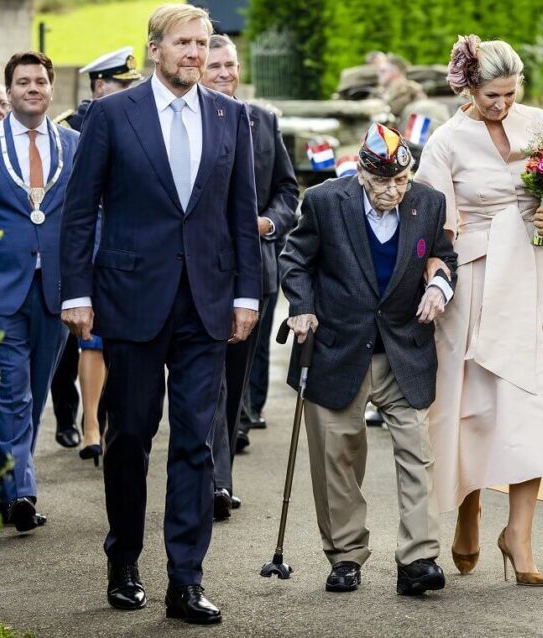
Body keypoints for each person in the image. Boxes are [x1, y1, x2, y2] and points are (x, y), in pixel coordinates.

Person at [60, 4, 261, 623]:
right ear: (155, 49)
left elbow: (239, 211)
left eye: (203, 44)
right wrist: (76, 292)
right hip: (132, 299)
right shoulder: (113, 115)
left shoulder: (231, 116)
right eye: (184, 43)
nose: (196, 54)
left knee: (196, 442)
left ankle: (185, 579)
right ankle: (124, 559)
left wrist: (246, 294)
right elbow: (80, 206)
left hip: (206, 303)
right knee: (131, 435)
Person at [415, 34, 543, 587]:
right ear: (468, 88)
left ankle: (519, 533)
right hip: (475, 278)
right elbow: (436, 228)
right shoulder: (446, 142)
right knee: (473, 406)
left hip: (537, 272)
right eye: (489, 96)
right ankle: (468, 508)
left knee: (535, 402)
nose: (500, 105)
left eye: (508, 93)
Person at [279, 123, 456, 595]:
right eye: (382, 182)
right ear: (361, 172)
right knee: (338, 455)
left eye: (400, 181)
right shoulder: (323, 201)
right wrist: (301, 307)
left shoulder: (428, 202)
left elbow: (442, 256)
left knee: (417, 452)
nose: (392, 191)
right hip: (337, 347)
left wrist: (439, 286)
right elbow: (296, 260)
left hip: (404, 347)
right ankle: (346, 556)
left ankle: (418, 559)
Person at [201, 33, 299, 518]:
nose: (224, 73)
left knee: (234, 383)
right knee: (207, 381)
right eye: (214, 65)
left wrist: (268, 222)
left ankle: (220, 473)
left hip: (252, 269)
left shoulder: (263, 120)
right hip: (196, 273)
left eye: (230, 65)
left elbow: (287, 189)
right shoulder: (187, 121)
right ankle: (214, 480)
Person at [0, 51, 79, 532]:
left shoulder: (74, 144)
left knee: (37, 390)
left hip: (57, 290)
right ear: (9, 90)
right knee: (12, 395)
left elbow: (90, 215)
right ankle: (20, 492)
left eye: (40, 80)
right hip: (3, 288)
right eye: (22, 81)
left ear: (50, 88)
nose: (32, 88)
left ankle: (5, 481)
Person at [53, 46, 142, 460]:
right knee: (88, 343)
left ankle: (104, 422)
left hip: (122, 243)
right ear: (99, 85)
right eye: (120, 83)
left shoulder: (136, 120)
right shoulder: (68, 128)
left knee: (114, 342)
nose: (128, 91)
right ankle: (88, 423)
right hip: (87, 241)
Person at [55, 46, 142, 131]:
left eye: (130, 84)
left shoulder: (130, 121)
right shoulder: (69, 126)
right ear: (99, 86)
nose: (130, 90)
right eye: (124, 84)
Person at [375, 53, 425, 120]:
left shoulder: (411, 89)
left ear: (395, 71)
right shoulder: (379, 91)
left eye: (383, 71)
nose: (378, 74)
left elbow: (421, 115)